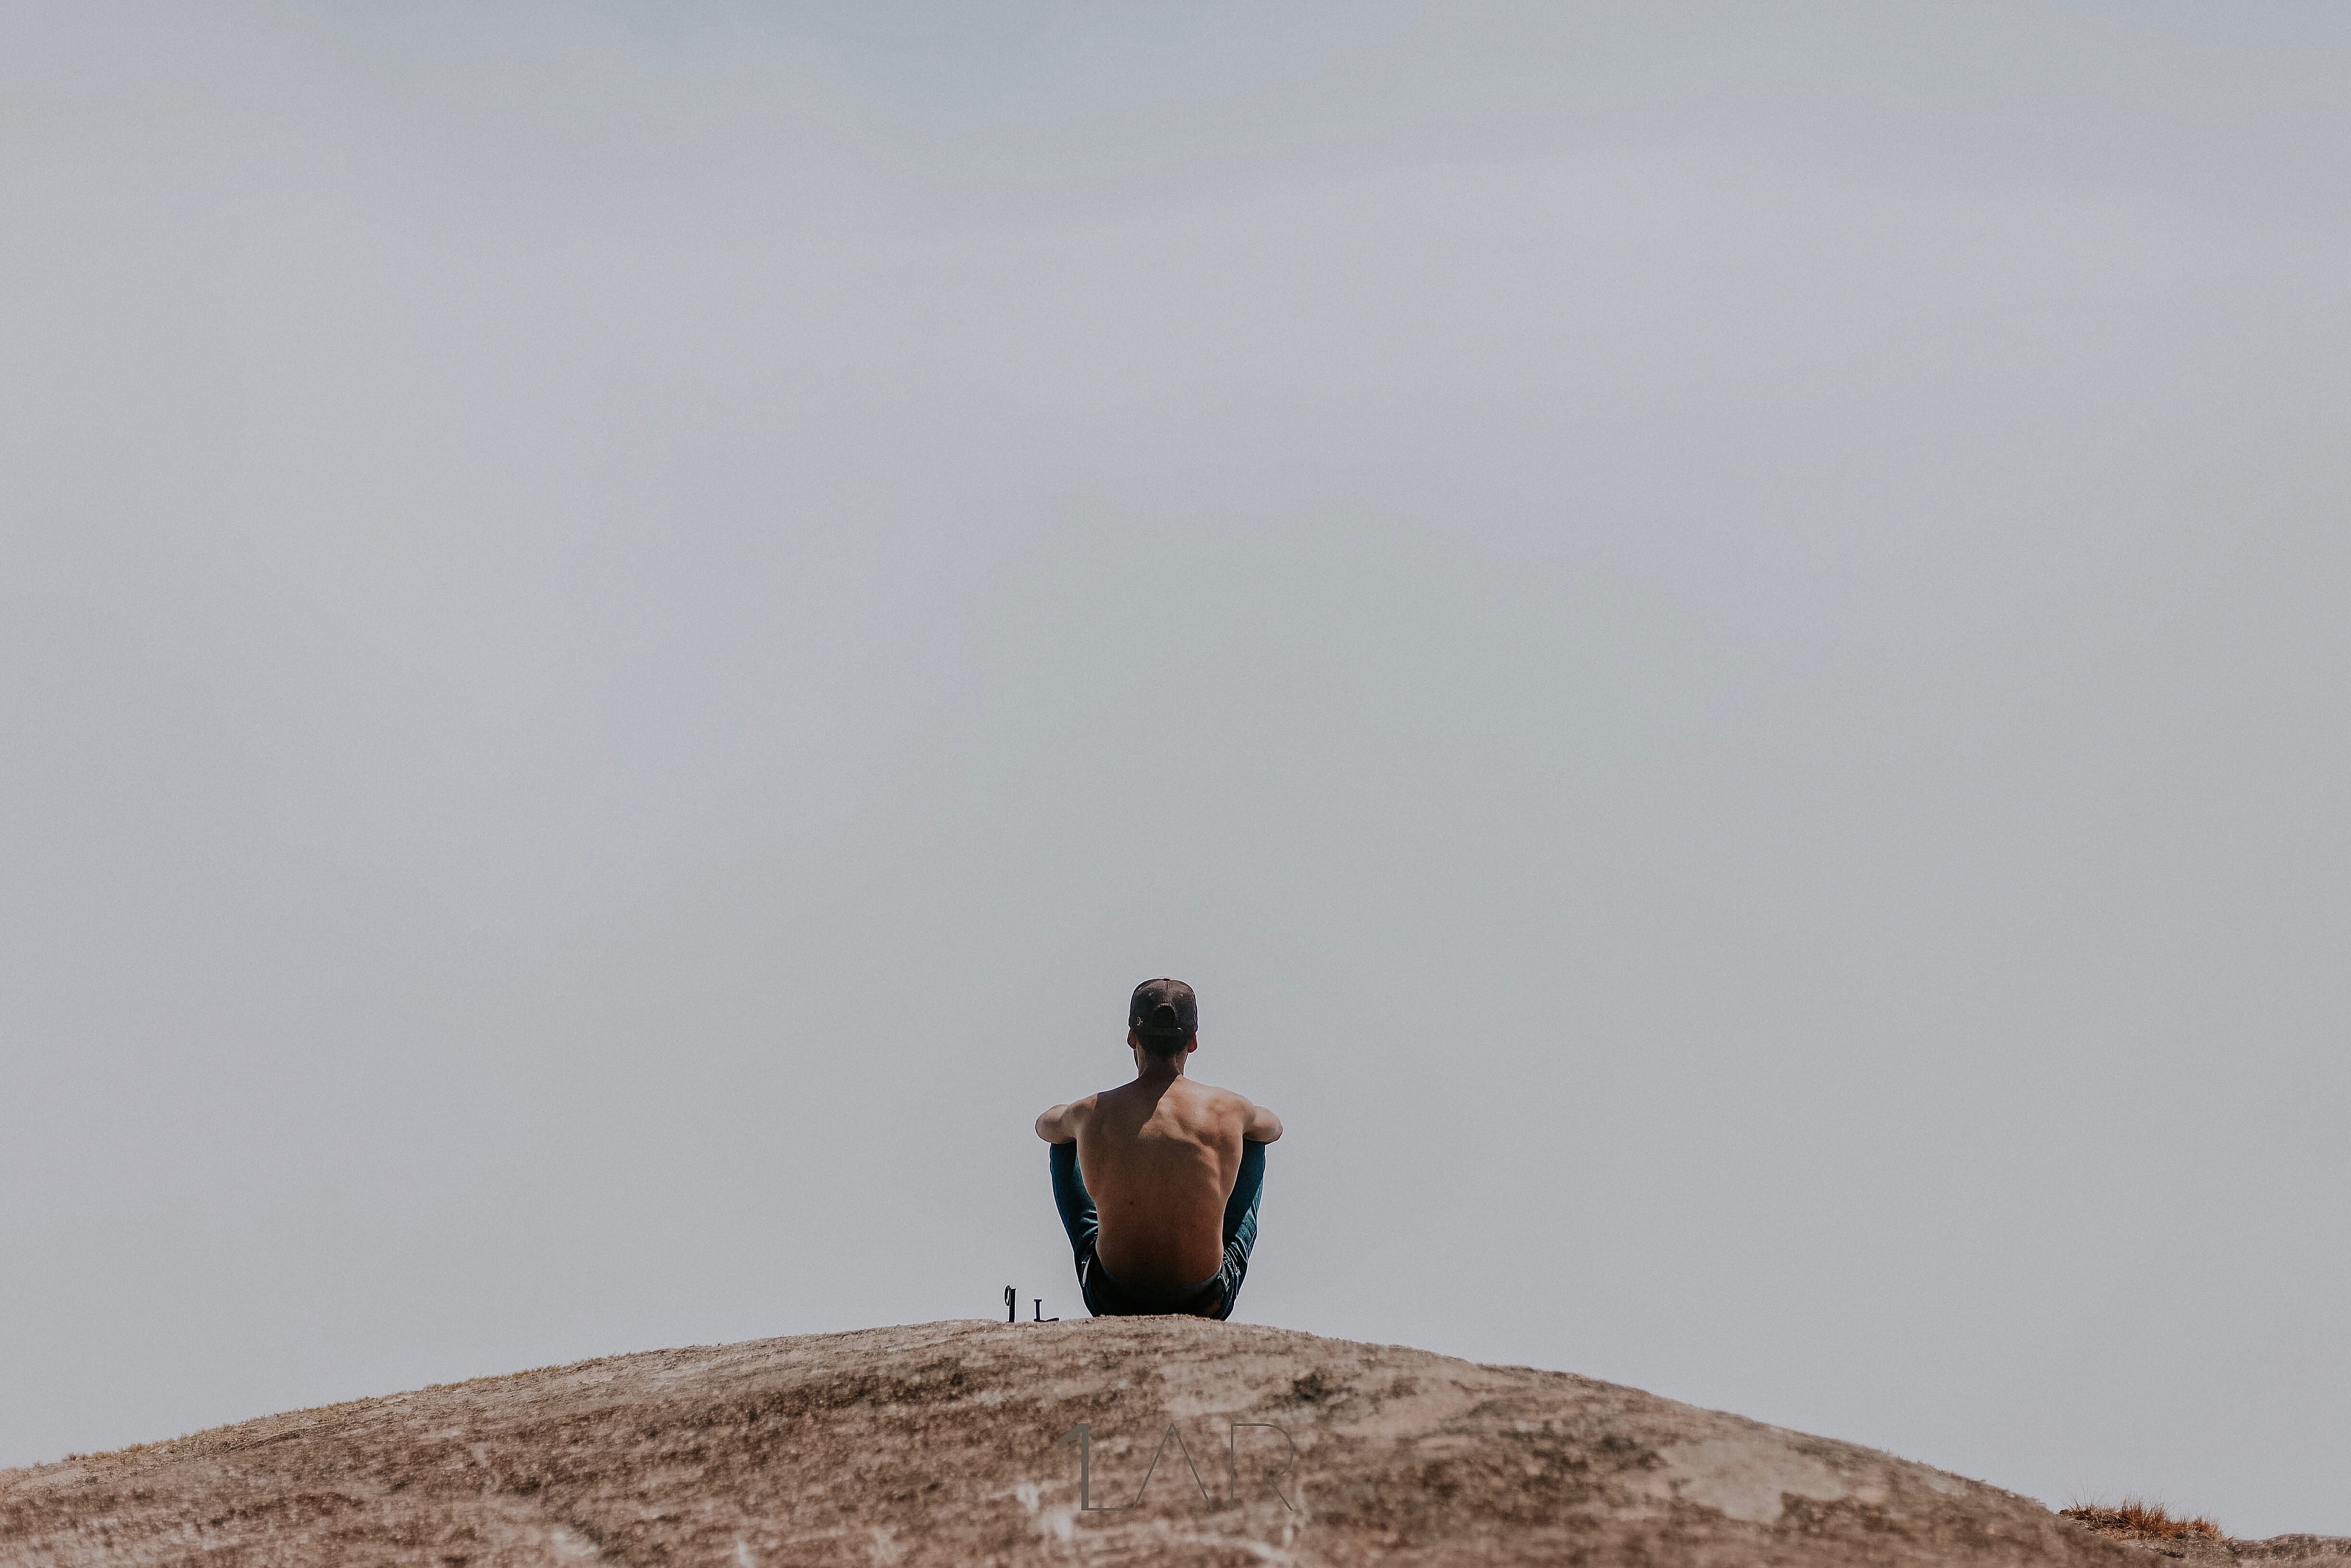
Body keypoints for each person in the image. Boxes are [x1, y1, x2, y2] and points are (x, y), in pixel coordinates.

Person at [1035, 979, 1283, 1319]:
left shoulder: (1092, 1112)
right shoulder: (1228, 1108)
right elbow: (1274, 1129)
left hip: (1112, 1298)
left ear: (1132, 1038)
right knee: (1254, 1141)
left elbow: (1044, 1126)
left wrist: (1080, 1123)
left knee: (1062, 1143)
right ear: (1193, 1041)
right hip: (1204, 1300)